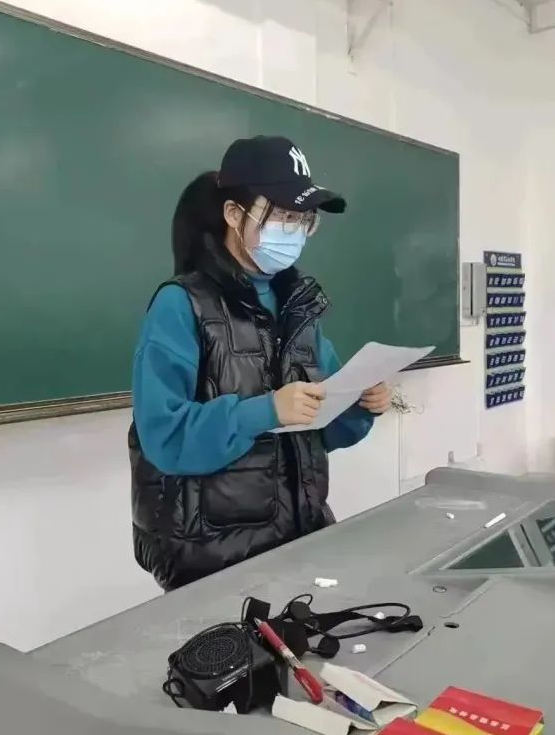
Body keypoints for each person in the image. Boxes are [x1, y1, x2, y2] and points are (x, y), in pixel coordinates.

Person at [128, 136, 391, 591]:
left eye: (304, 220)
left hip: (301, 537)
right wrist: (266, 411)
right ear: (234, 214)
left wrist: (360, 403)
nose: (295, 230)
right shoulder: (181, 305)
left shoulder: (298, 305)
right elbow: (164, 438)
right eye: (284, 215)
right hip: (210, 555)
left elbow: (324, 428)